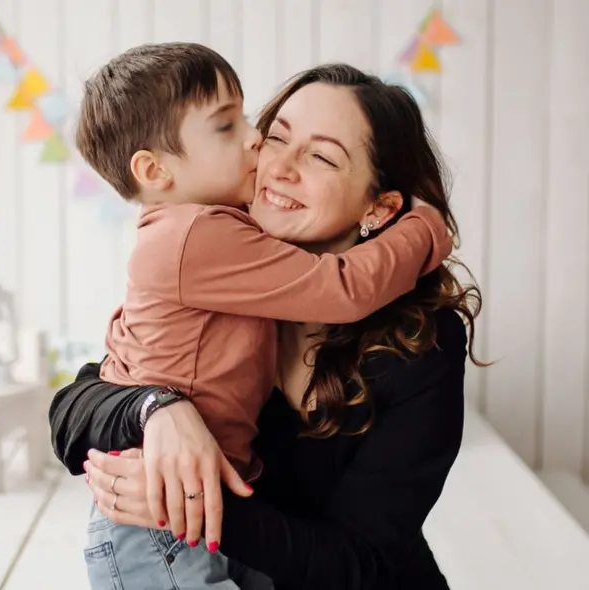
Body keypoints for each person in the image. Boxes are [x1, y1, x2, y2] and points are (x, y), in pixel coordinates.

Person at [50, 62, 483, 590]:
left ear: (380, 206)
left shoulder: (424, 344)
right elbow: (74, 409)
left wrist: (196, 505)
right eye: (276, 136)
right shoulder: (218, 267)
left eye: (322, 156)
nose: (277, 164)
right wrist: (158, 409)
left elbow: (362, 560)